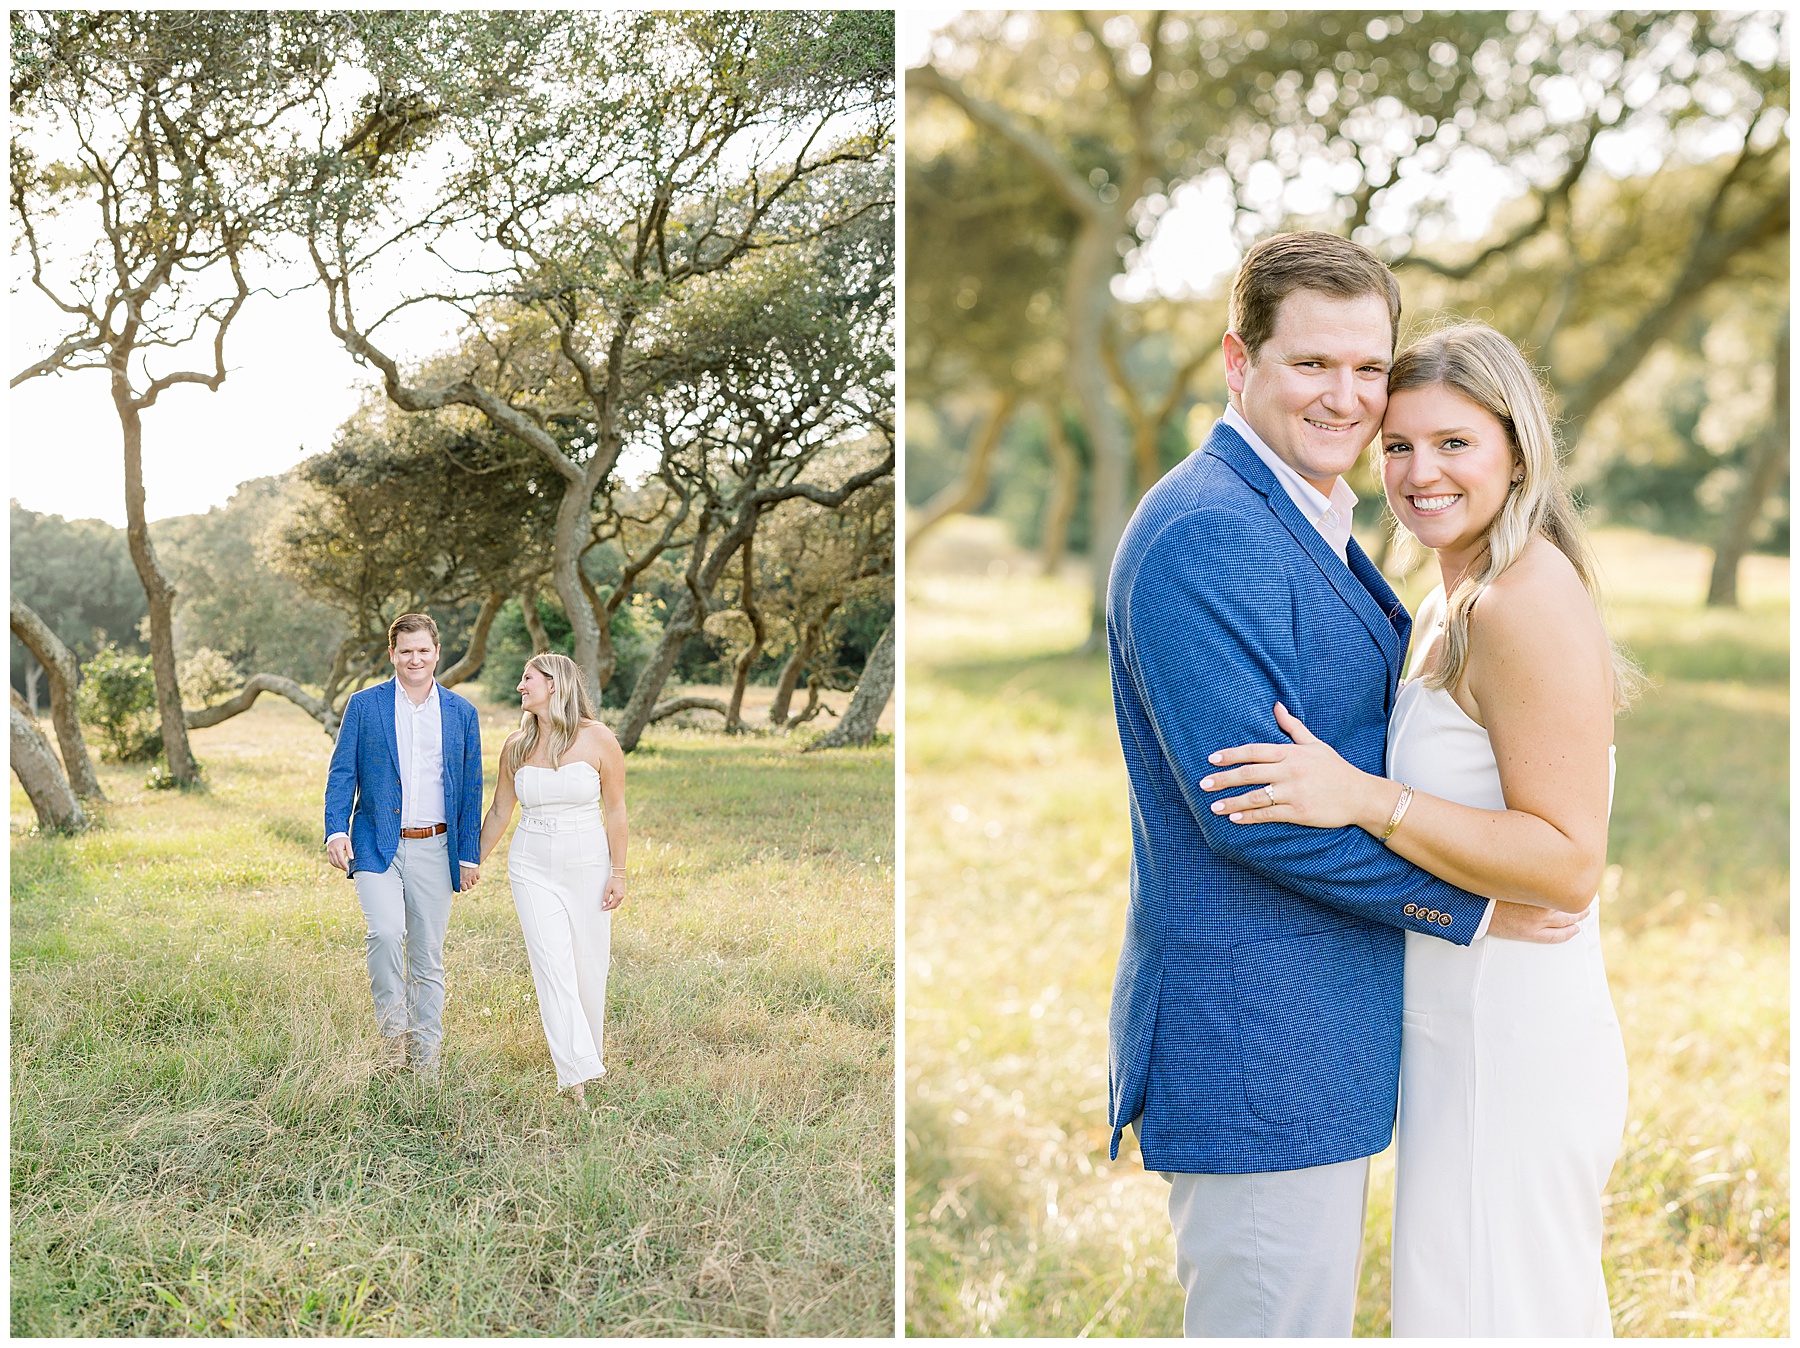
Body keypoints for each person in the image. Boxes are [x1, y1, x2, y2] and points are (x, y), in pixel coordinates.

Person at [1104, 231, 1579, 1338]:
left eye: (1369, 367)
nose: (1347, 396)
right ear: (1239, 361)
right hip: (1256, 1043)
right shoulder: (1205, 531)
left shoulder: (1304, 515)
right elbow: (1254, 814)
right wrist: (1471, 907)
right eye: (1312, 363)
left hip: (1321, 1039)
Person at [1203, 323, 1632, 1335]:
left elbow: (1568, 865)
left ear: (1516, 452)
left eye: (1454, 443)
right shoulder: (1450, 599)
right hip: (1452, 1022)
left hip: (1508, 1033)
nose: (1419, 472)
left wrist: (1366, 798)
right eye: (1398, 445)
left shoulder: (1523, 601)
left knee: (1498, 1312)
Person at [325, 613, 484, 1077]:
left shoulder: (461, 713)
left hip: (436, 846)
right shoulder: (364, 705)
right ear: (392, 654)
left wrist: (468, 854)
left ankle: (425, 1062)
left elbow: (471, 788)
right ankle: (393, 1040)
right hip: (375, 844)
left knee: (427, 958)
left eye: (423, 650)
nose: (416, 659)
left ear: (437, 653)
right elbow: (342, 772)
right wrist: (336, 829)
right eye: (406, 651)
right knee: (385, 933)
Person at [476, 652, 628, 1108]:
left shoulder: (598, 738)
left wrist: (619, 872)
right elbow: (500, 811)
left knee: (588, 968)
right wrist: (470, 861)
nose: (520, 687)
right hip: (531, 865)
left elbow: (616, 809)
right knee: (552, 967)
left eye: (528, 679)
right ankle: (576, 1077)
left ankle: (590, 1058)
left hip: (588, 864)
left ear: (555, 684)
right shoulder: (516, 745)